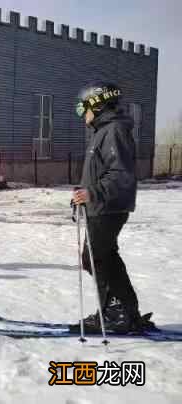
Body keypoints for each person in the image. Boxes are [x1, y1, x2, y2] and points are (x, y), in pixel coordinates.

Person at [72, 82, 154, 333]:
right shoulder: (104, 131)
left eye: (83, 109)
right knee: (104, 258)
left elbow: (121, 174)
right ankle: (124, 311)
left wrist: (93, 193)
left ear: (96, 105)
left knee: (96, 260)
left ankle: (116, 314)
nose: (82, 115)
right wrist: (82, 194)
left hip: (109, 206)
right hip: (103, 205)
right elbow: (103, 172)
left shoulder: (113, 130)